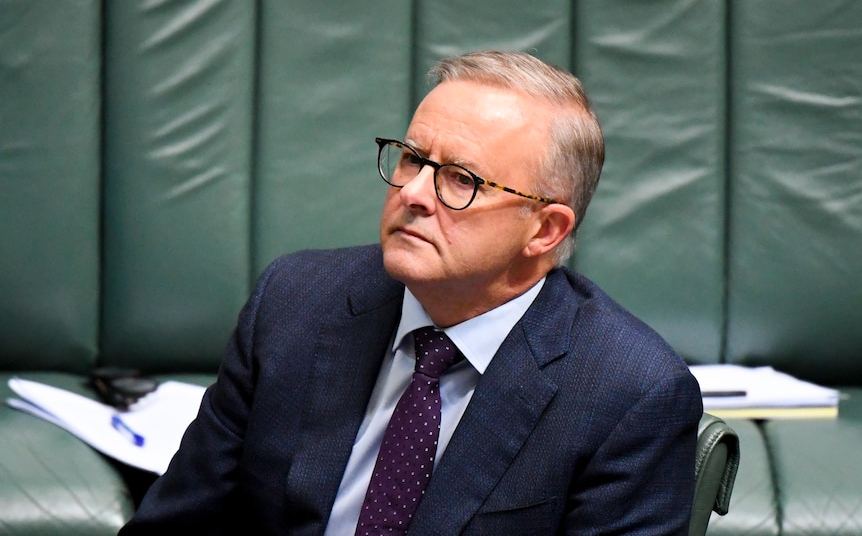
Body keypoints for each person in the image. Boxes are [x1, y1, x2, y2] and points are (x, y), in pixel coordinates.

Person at [120, 51, 702, 535]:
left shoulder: (631, 393)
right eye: (412, 159)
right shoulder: (295, 301)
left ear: (545, 229)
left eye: (460, 179)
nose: (414, 192)